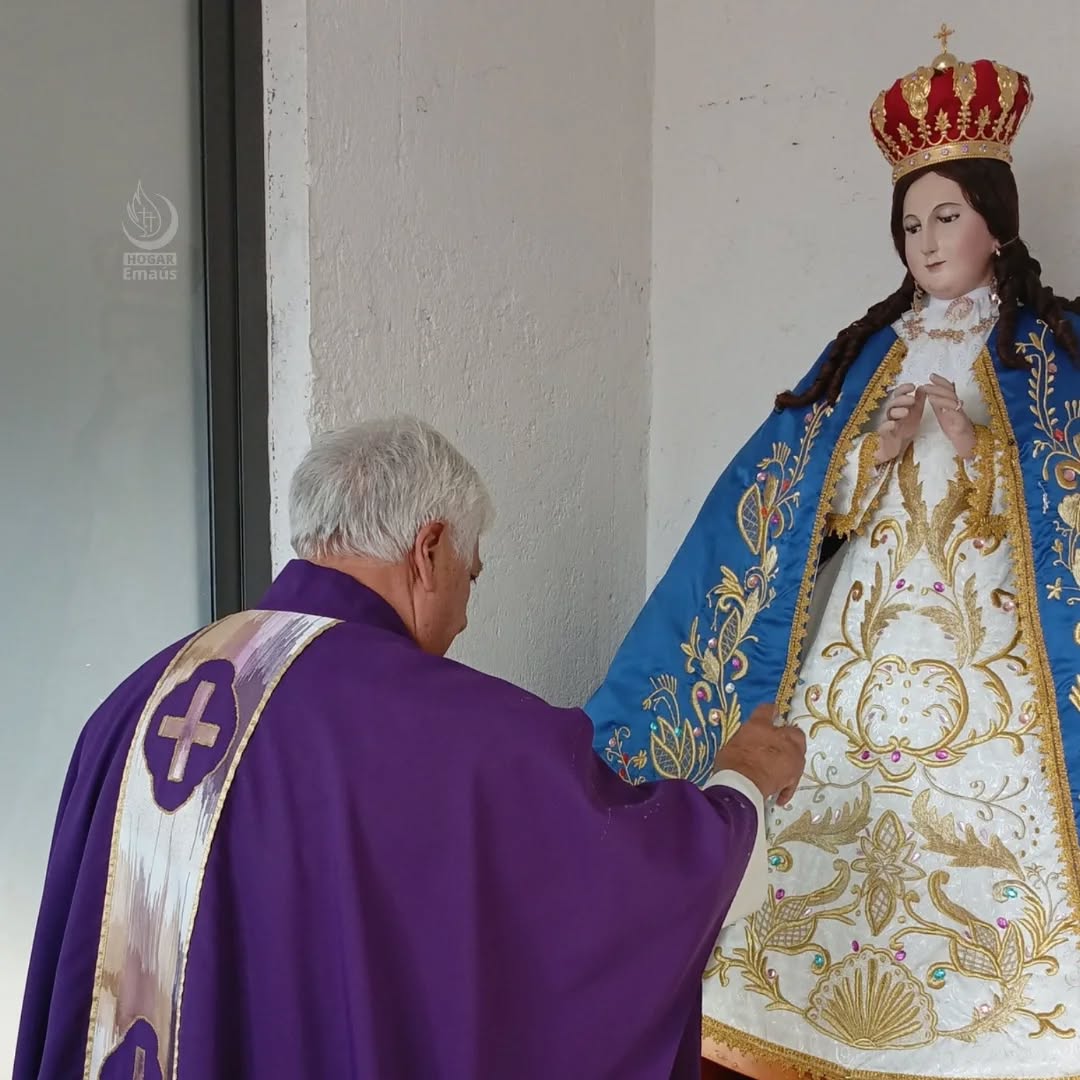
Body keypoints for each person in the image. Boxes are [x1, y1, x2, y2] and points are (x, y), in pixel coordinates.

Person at [14, 416, 805, 1079]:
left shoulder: (135, 703)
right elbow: (634, 891)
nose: (464, 613)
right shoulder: (456, 733)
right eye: (473, 571)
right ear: (428, 550)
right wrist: (740, 783)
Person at [587, 29, 1080, 1080]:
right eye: (910, 221)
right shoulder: (867, 353)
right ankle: (790, 1018)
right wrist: (873, 456)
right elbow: (802, 505)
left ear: (997, 220)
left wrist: (985, 456)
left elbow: (1058, 504)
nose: (928, 239)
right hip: (860, 646)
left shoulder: (1052, 352)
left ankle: (1005, 1032)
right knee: (826, 817)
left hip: (995, 651)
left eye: (948, 214)